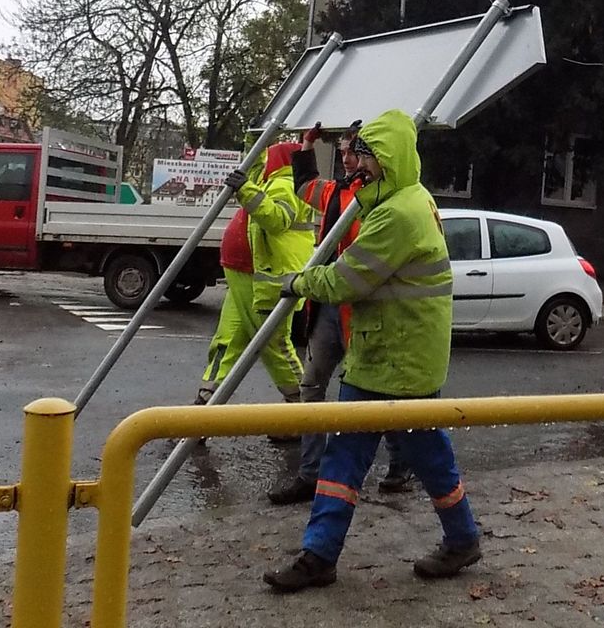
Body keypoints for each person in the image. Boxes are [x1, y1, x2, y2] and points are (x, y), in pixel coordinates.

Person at [263, 109, 481, 592]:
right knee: (363, 459)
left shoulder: (396, 215)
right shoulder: (406, 198)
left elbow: (346, 281)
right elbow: (318, 196)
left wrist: (297, 282)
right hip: (392, 357)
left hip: (395, 361)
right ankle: (322, 554)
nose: (358, 163)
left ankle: (459, 539)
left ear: (389, 158)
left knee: (409, 459)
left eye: (365, 155)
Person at [266, 123, 413, 504]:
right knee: (312, 385)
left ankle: (401, 464)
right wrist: (306, 147)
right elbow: (305, 186)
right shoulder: (336, 191)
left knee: (375, 393)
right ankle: (311, 473)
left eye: (355, 152)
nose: (348, 159)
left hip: (363, 311)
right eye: (344, 152)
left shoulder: (380, 199)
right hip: (328, 306)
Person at [194, 142, 317, 411]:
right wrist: (255, 141)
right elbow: (255, 164)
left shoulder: (286, 184)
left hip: (264, 280)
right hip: (247, 275)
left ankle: (302, 407)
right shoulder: (273, 181)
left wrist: (245, 189)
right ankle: (207, 399)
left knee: (272, 344)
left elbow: (276, 220)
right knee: (229, 340)